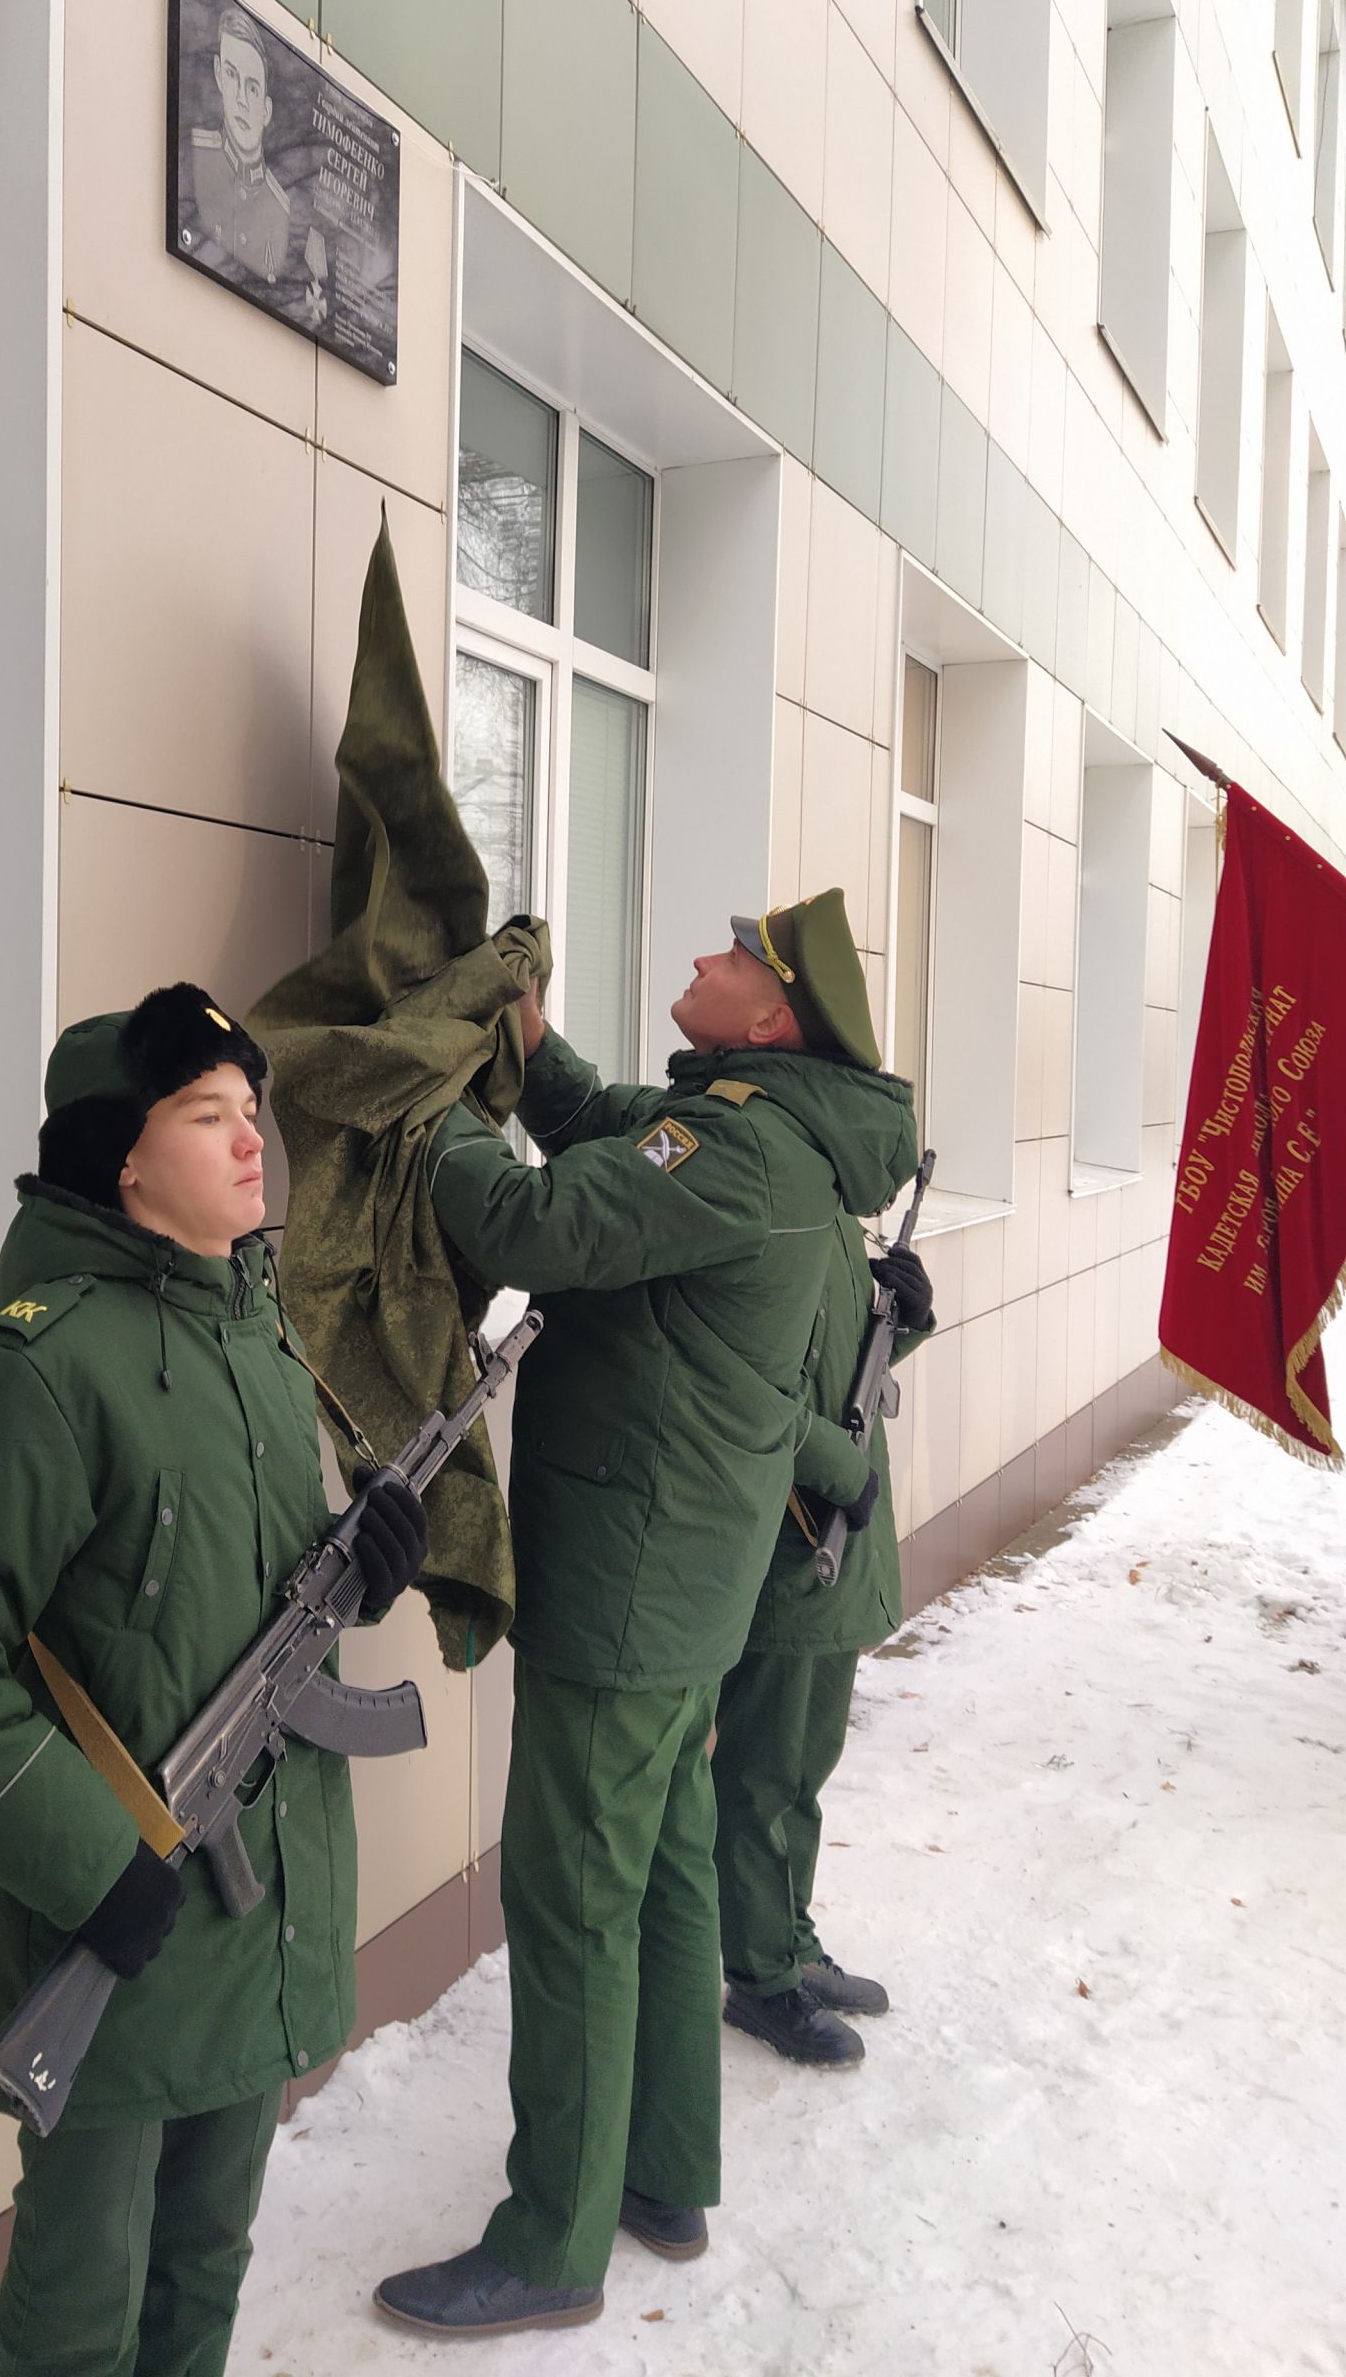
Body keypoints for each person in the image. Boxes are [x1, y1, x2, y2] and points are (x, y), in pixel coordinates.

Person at [0, 983, 427, 2377]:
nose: (250, 1147)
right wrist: (91, 1865)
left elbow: (243, 1595)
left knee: (207, 2259)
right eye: (208, 1116)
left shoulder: (259, 1341)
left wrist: (364, 1562)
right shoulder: (39, 1374)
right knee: (84, 2290)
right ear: (121, 1154)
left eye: (252, 1115)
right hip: (109, 1916)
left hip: (251, 1905)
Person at [374, 891, 920, 2338]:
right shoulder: (770, 1129)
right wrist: (532, 1052)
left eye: (730, 957)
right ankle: (666, 2170)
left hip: (627, 1581)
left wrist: (424, 1092)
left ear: (775, 1012)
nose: (697, 959)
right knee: (669, 1868)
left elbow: (532, 1219)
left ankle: (552, 2240)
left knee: (571, 1900)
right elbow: (615, 1126)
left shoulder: (735, 1146)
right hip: (684, 1579)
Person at [714, 1060, 936, 2067]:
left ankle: (790, 1938)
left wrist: (905, 1318)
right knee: (763, 1773)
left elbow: (849, 1373)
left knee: (806, 1766)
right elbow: (761, 1391)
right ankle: (760, 1975)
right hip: (794, 1540)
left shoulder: (837, 1222)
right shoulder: (783, 1207)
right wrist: (838, 1473)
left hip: (834, 1544)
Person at [191, 3, 292, 281]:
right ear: (218, 75)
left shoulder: (281, 210)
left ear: (267, 111)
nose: (241, 100)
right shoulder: (196, 159)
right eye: (232, 76)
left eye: (253, 87)